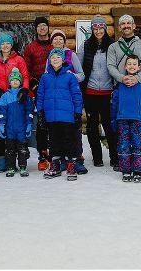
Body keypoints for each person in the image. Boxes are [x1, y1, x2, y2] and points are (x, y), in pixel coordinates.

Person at [106, 14, 141, 172]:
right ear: (119, 27)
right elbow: (110, 66)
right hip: (120, 87)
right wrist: (122, 78)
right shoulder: (113, 47)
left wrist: (138, 78)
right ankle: (120, 160)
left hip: (139, 86)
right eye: (123, 24)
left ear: (134, 26)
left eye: (129, 23)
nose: (126, 26)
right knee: (121, 127)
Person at [77, 15, 118, 168]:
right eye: (95, 27)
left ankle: (114, 157)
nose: (98, 30)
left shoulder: (112, 45)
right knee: (92, 126)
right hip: (90, 92)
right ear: (92, 29)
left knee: (109, 126)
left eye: (101, 27)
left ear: (105, 29)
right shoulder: (86, 46)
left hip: (108, 92)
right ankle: (97, 158)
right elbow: (79, 67)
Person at [37, 48, 83, 180]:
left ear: (63, 60)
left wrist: (78, 113)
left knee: (69, 141)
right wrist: (40, 112)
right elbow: (40, 96)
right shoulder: (45, 77)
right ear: (49, 61)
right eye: (53, 57)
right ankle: (55, 166)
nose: (55, 59)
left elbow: (76, 96)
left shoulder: (70, 76)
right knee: (53, 142)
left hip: (67, 116)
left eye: (58, 57)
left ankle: (71, 167)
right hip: (51, 116)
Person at [48, 28, 87, 175]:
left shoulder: (71, 55)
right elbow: (49, 73)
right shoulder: (51, 56)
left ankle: (77, 160)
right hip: (57, 101)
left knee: (73, 132)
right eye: (55, 39)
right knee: (60, 132)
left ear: (64, 41)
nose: (57, 41)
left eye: (60, 39)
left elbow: (81, 75)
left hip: (70, 98)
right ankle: (64, 161)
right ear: (51, 42)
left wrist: (71, 76)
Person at [111, 55, 141, 183]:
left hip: (138, 120)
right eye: (129, 64)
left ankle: (138, 170)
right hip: (122, 119)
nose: (132, 66)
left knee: (138, 144)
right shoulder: (119, 85)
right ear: (125, 67)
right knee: (123, 145)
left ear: (139, 67)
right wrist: (113, 120)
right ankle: (126, 170)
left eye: (135, 64)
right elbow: (114, 104)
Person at [23, 16, 53, 170]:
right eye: (39, 26)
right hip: (39, 89)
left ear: (48, 28)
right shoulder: (30, 47)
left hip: (55, 89)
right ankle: (42, 154)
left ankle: (55, 153)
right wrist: (33, 86)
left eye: (44, 26)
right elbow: (26, 70)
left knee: (55, 121)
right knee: (41, 123)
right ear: (36, 29)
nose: (42, 28)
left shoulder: (55, 44)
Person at [0, 68, 34, 177]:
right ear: (9, 82)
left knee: (22, 149)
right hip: (9, 128)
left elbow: (29, 111)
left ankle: (23, 166)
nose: (15, 82)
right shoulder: (5, 96)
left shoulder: (25, 96)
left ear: (20, 82)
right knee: (10, 149)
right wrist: (2, 125)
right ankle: (10, 167)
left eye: (17, 80)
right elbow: (1, 111)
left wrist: (29, 124)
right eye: (12, 80)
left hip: (21, 127)